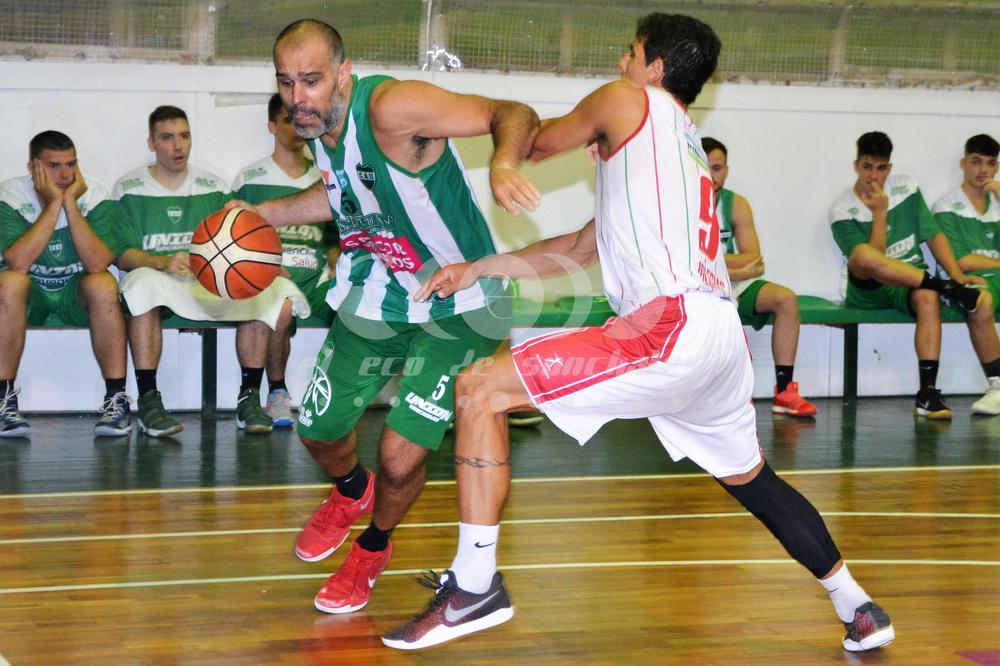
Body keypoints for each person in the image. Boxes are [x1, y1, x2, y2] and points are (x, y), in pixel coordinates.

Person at [384, 14, 894, 653]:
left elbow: (536, 141)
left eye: (630, 53)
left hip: (671, 327)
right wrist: (476, 269)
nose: (620, 63)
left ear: (655, 68)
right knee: (753, 480)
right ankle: (858, 605)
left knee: (480, 389)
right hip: (720, 341)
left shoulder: (628, 101)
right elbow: (578, 245)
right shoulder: (675, 154)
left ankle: (477, 584)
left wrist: (495, 152)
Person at [228, 19, 539, 615]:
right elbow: (346, 194)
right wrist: (265, 213)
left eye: (313, 81)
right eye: (288, 82)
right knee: (317, 429)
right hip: (376, 296)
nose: (299, 97)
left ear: (344, 73)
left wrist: (502, 163)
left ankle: (372, 546)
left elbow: (512, 110)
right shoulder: (318, 126)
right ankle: (350, 492)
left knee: (400, 455)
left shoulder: (394, 107)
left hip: (460, 306)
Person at [112, 105, 309, 437]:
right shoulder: (129, 187)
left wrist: (266, 269)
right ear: (151, 143)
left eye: (184, 137)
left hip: (208, 282)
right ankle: (148, 400)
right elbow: (120, 254)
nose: (178, 146)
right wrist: (160, 262)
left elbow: (244, 241)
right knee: (140, 284)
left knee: (262, 289)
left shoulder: (214, 187)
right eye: (167, 138)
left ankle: (250, 398)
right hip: (161, 278)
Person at [829, 131, 1000, 419]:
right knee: (864, 256)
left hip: (912, 283)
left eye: (881, 168)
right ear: (856, 166)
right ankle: (942, 285)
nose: (874, 176)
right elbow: (875, 261)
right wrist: (880, 213)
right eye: (868, 167)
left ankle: (928, 393)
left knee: (927, 297)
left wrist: (957, 277)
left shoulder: (906, 186)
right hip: (869, 289)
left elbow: (932, 235)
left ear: (890, 168)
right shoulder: (842, 208)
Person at [0, 130, 131, 438]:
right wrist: (52, 206)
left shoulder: (94, 195)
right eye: (54, 166)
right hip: (30, 296)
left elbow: (99, 263)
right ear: (33, 168)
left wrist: (69, 204)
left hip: (75, 295)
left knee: (103, 284)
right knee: (9, 281)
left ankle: (116, 400)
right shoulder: (10, 195)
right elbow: (18, 261)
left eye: (70, 164)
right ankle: (3, 401)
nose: (64, 174)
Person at [232, 93, 338, 427]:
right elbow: (234, 239)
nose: (297, 127)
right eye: (289, 119)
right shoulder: (250, 180)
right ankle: (277, 392)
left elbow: (338, 234)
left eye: (303, 119)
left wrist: (337, 260)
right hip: (270, 280)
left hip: (316, 280)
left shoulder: (325, 177)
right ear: (272, 126)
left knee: (362, 300)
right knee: (280, 303)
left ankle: (345, 391)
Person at [702, 136, 816, 416]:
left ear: (726, 170)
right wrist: (737, 268)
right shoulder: (679, 204)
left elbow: (753, 258)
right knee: (713, 307)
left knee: (786, 299)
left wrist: (729, 267)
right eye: (704, 167)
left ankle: (785, 391)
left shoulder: (736, 204)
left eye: (717, 168)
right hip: (699, 285)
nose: (711, 175)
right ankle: (707, 396)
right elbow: (691, 263)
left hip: (733, 281)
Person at [932, 134, 1000, 415]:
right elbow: (962, 261)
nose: (983, 170)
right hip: (967, 282)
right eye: (976, 162)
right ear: (963, 163)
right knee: (978, 301)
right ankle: (998, 386)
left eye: (991, 163)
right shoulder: (945, 206)